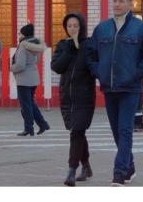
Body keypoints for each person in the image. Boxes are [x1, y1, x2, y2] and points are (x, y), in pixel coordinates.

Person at [85, 0, 143, 186]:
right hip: (109, 88)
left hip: (130, 89)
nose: (116, 4)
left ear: (129, 5)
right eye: (114, 1)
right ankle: (130, 167)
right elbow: (90, 55)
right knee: (116, 131)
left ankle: (119, 171)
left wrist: (135, 74)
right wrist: (98, 71)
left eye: (121, 1)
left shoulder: (141, 29)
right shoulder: (102, 29)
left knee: (125, 129)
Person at [51, 13, 96, 186]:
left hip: (84, 97)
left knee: (77, 131)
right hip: (67, 97)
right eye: (69, 26)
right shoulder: (63, 45)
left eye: (75, 26)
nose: (72, 29)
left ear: (81, 27)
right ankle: (86, 166)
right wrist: (70, 50)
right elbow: (56, 67)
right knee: (78, 132)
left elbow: (93, 68)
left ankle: (71, 170)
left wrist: (80, 49)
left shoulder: (89, 45)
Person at [11, 23, 50, 136]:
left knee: (26, 105)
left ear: (24, 34)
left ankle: (28, 128)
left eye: (20, 33)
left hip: (24, 79)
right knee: (30, 103)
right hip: (33, 78)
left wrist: (11, 68)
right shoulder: (36, 44)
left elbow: (20, 65)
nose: (18, 35)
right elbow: (36, 61)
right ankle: (43, 124)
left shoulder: (23, 45)